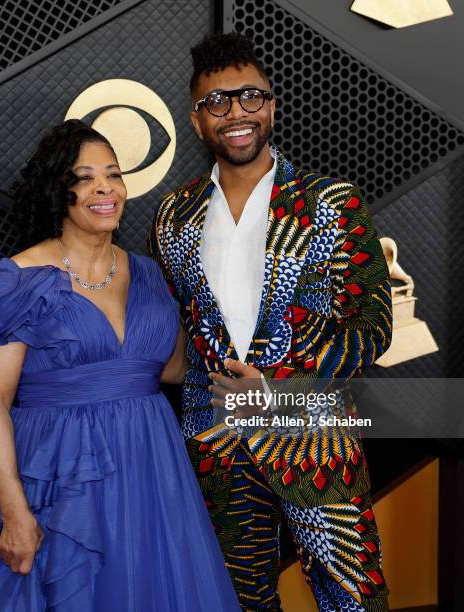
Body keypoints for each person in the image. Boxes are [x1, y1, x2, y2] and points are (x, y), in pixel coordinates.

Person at [0, 119, 240, 611]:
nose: (104, 188)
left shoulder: (148, 273)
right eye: (84, 177)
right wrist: (15, 513)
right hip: (57, 477)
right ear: (59, 192)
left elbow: (169, 369)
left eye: (113, 174)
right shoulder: (18, 278)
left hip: (149, 470)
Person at [149, 33, 392, 611]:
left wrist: (278, 392)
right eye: (218, 102)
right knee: (235, 599)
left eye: (250, 97)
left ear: (273, 105)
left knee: (352, 596)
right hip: (215, 441)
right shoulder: (172, 215)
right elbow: (180, 330)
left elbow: (372, 328)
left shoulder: (330, 201)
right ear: (197, 119)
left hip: (313, 432)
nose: (236, 113)